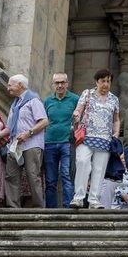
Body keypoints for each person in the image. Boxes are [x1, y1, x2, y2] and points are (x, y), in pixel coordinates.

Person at [72, 69, 122, 209]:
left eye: (108, 81)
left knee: (99, 169)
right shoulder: (87, 94)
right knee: (82, 162)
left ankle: (94, 199)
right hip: (86, 136)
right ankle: (79, 197)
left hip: (105, 138)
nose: (106, 84)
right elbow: (79, 109)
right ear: (97, 82)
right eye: (103, 81)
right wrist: (76, 114)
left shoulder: (114, 99)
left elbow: (116, 119)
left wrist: (116, 132)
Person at [3, 74, 48, 207]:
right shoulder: (15, 104)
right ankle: (13, 207)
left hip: (32, 144)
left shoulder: (33, 100)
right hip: (14, 145)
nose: (8, 88)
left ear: (20, 85)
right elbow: (8, 128)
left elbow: (44, 121)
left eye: (10, 85)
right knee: (11, 176)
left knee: (33, 176)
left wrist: (28, 133)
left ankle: (39, 207)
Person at [43, 71, 81, 208]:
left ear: (67, 83)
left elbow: (82, 119)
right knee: (50, 179)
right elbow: (43, 121)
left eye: (62, 82)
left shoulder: (75, 99)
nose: (60, 85)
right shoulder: (47, 101)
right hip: (49, 143)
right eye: (57, 83)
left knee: (66, 174)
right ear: (53, 85)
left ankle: (67, 207)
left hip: (67, 142)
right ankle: (51, 209)